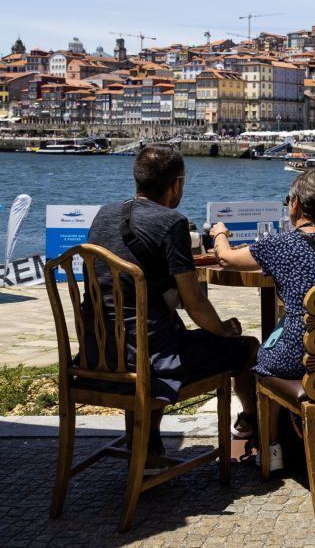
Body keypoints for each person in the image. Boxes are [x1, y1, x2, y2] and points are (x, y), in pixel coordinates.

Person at [81, 145, 259, 472]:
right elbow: (194, 303)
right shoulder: (172, 222)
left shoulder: (103, 215)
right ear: (176, 184)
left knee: (155, 330)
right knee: (246, 349)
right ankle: (254, 429)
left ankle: (147, 445)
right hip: (151, 361)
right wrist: (222, 329)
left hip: (99, 353)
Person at [212, 169, 315, 471]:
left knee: (261, 360)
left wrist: (219, 232)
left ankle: (272, 452)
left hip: (303, 356)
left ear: (294, 204)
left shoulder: (279, 245)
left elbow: (227, 258)